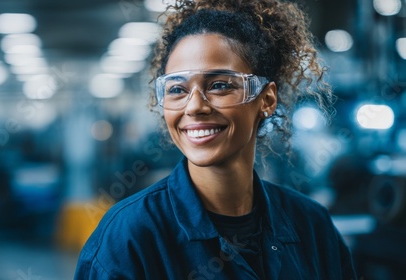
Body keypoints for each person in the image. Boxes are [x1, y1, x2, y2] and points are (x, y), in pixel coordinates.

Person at [74, 0, 357, 279]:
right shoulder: (129, 238)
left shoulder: (311, 226)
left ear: (266, 99)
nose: (194, 106)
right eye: (177, 89)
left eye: (220, 85)